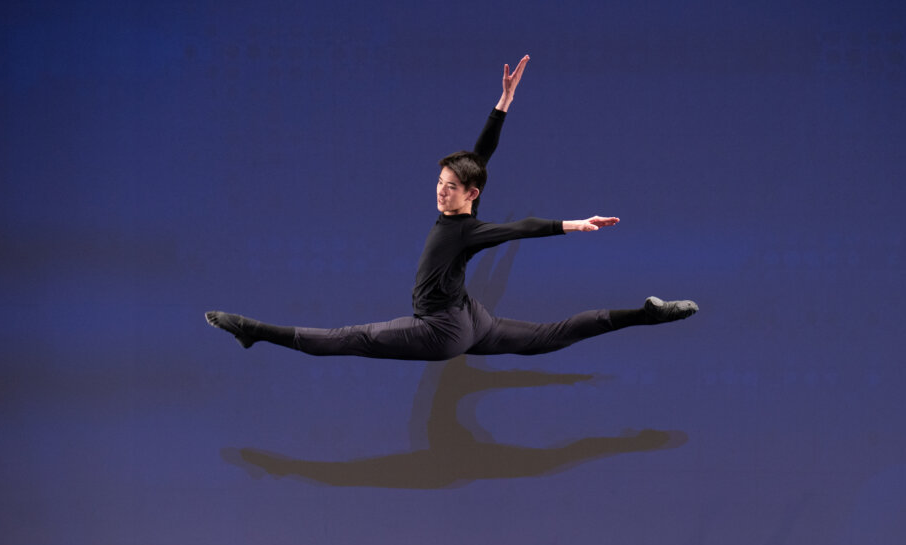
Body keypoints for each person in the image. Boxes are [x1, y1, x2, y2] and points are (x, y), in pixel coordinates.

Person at [206, 55, 697, 361]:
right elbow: (480, 156)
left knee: (350, 338)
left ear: (471, 195)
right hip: (471, 318)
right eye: (440, 183)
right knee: (549, 336)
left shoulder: (467, 230)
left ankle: (253, 331)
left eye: (451, 187)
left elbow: (518, 229)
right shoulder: (464, 200)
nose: (441, 192)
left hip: (441, 331)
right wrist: (503, 103)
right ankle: (646, 315)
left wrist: (573, 224)